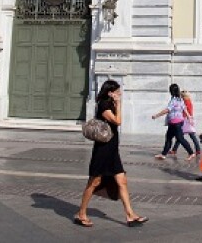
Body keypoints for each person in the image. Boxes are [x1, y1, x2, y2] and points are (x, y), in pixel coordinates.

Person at [75, 80, 148, 228]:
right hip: (103, 150)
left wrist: (117, 104)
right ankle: (81, 213)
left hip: (113, 150)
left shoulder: (110, 104)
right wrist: (118, 105)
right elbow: (118, 121)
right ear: (110, 93)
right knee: (94, 182)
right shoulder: (103, 105)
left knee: (122, 181)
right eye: (117, 91)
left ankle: (130, 215)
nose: (119, 94)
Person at [151, 83, 194, 160]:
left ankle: (191, 153)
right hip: (177, 122)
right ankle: (163, 154)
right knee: (168, 137)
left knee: (180, 139)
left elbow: (167, 110)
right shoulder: (180, 99)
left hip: (175, 123)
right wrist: (189, 117)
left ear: (171, 91)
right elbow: (184, 109)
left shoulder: (173, 100)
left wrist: (156, 115)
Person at [171, 90, 202, 157]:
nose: (180, 97)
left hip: (185, 120)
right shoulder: (189, 102)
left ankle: (174, 150)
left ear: (184, 96)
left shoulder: (185, 102)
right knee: (191, 136)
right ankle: (198, 150)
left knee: (180, 136)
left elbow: (185, 112)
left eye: (181, 96)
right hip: (189, 119)